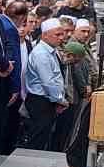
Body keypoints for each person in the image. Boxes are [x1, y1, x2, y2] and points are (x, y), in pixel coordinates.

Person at [23, 18, 70, 151]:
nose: (62, 38)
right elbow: (48, 82)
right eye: (57, 35)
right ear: (45, 35)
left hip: (47, 100)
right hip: (40, 101)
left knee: (43, 136)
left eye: (62, 34)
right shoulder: (41, 54)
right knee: (37, 137)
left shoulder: (51, 51)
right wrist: (60, 99)